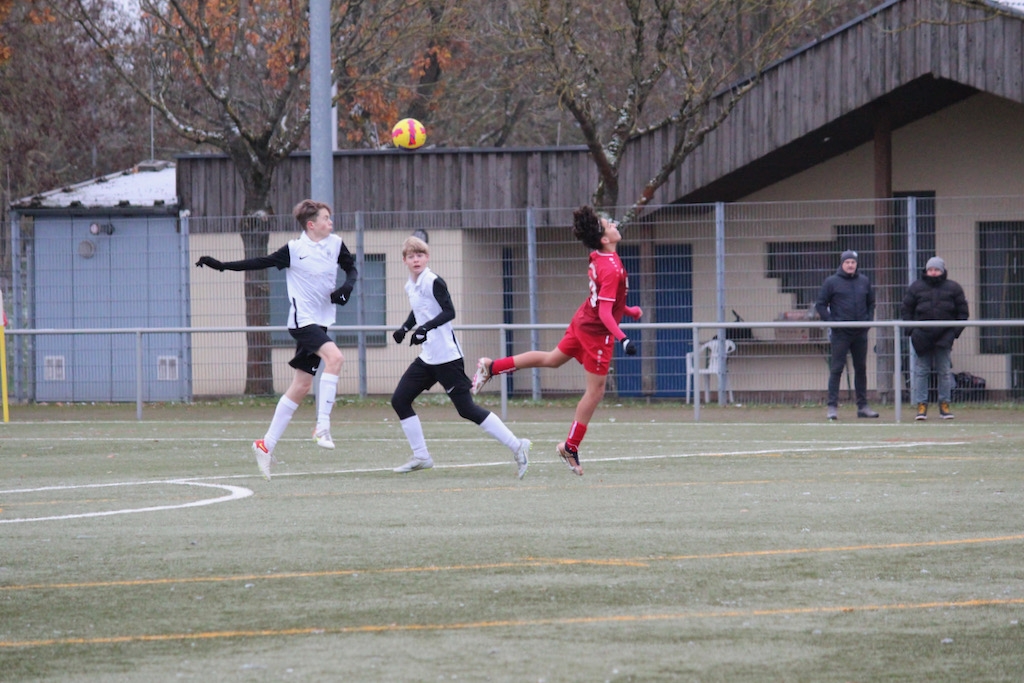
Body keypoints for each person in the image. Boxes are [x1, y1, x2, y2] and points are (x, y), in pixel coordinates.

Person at [470, 205, 642, 476]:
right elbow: (605, 311)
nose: (614, 225)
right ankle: (570, 447)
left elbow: (605, 300)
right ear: (604, 238)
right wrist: (623, 338)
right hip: (596, 332)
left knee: (552, 359)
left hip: (584, 320)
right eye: (609, 225)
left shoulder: (603, 256)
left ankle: (492, 367)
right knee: (596, 391)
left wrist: (628, 311)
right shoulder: (610, 266)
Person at [195, 199, 358, 480]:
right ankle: (322, 426)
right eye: (326, 218)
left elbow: (351, 268)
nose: (330, 222)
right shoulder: (294, 250)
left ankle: (265, 445)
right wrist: (221, 265)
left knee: (302, 385)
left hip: (320, 322)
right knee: (336, 358)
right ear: (311, 224)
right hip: (302, 322)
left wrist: (347, 287)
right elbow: (259, 262)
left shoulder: (335, 244)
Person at [390, 235, 531, 478]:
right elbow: (420, 310)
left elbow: (449, 312)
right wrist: (405, 328)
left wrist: (425, 329)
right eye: (411, 256)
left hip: (447, 358)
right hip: (428, 357)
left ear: (427, 257)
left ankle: (517, 446)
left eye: (420, 255)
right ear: (404, 260)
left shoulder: (433, 281)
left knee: (466, 409)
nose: (416, 259)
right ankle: (421, 456)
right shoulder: (410, 285)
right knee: (399, 400)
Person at [901, 256, 969, 421]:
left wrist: (953, 333)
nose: (933, 272)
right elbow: (906, 310)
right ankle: (921, 405)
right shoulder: (916, 287)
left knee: (944, 372)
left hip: (944, 336)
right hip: (921, 336)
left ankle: (944, 405)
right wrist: (912, 331)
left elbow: (963, 313)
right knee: (921, 372)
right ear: (926, 270)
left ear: (942, 271)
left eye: (936, 269)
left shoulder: (954, 288)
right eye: (930, 269)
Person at [815, 249, 879, 420]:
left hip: (860, 333)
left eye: (853, 262)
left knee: (861, 369)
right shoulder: (831, 282)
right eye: (847, 262)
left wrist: (868, 322)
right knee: (836, 369)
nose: (850, 265)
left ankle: (862, 406)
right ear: (842, 263)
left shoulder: (864, 281)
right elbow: (820, 305)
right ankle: (832, 407)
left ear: (856, 264)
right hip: (840, 334)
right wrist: (833, 323)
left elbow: (871, 303)